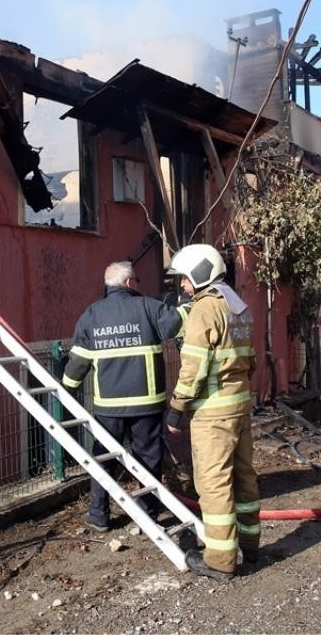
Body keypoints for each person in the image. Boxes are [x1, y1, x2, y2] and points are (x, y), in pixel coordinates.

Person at [61, 261, 186, 531]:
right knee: (148, 459)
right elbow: (177, 322)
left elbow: (78, 362)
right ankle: (147, 515)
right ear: (129, 282)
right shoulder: (147, 307)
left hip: (108, 409)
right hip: (147, 404)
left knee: (103, 459)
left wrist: (65, 390)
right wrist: (190, 302)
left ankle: (98, 514)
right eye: (137, 280)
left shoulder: (91, 315)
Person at [164, 244, 259, 581]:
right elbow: (251, 360)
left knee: (214, 484)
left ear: (200, 274)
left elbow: (193, 368)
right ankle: (250, 543)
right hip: (240, 406)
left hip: (212, 412)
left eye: (185, 280)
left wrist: (176, 409)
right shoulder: (239, 306)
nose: (184, 287)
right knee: (243, 476)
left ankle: (220, 560)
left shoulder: (205, 310)